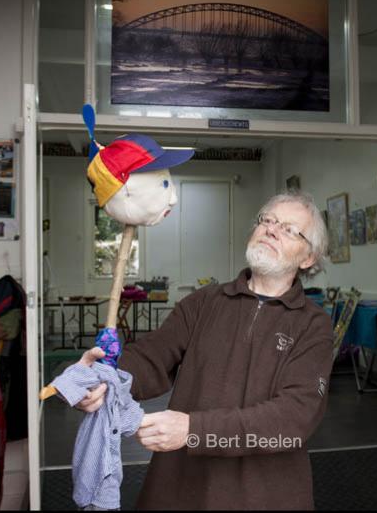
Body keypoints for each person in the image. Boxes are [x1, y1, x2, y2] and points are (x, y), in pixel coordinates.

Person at [78, 191, 334, 510]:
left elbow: (294, 417)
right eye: (268, 220)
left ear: (308, 258)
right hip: (183, 486)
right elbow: (152, 356)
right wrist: (106, 378)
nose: (271, 230)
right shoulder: (205, 301)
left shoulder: (313, 325)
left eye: (289, 229)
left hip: (265, 494)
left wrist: (194, 430)